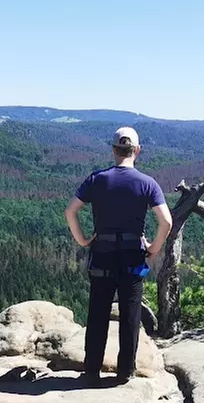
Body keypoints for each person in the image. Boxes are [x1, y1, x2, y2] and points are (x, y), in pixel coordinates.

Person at [64, 127, 173, 386]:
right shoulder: (147, 183)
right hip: (132, 257)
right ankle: (125, 371)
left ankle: (92, 371)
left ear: (114, 150)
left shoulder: (97, 180)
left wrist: (82, 239)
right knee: (130, 314)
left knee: (98, 313)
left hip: (102, 253)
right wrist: (154, 248)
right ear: (137, 150)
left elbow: (71, 211)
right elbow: (166, 222)